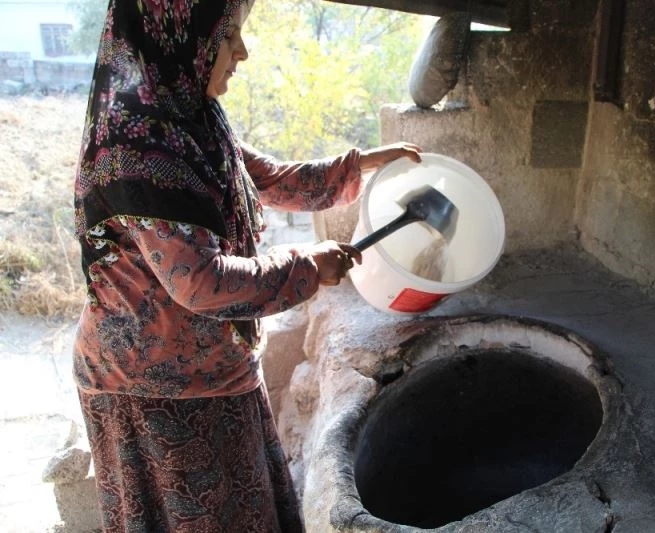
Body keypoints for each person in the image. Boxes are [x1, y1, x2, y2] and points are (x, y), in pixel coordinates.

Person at [71, 0, 421, 531]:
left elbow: (270, 179)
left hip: (216, 368)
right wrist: (306, 267)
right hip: (155, 393)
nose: (242, 52)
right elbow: (202, 283)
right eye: (229, 34)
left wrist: (361, 166)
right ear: (182, 35)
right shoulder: (137, 149)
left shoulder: (191, 119)